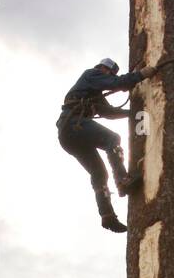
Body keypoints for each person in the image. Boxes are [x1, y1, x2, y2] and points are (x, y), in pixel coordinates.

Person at [57, 58, 157, 232]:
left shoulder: (93, 92)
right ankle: (123, 180)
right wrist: (140, 75)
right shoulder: (92, 74)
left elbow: (109, 113)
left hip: (69, 135)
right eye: (110, 73)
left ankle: (107, 215)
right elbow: (116, 83)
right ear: (104, 68)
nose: (110, 76)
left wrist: (132, 113)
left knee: (99, 173)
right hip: (74, 123)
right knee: (113, 138)